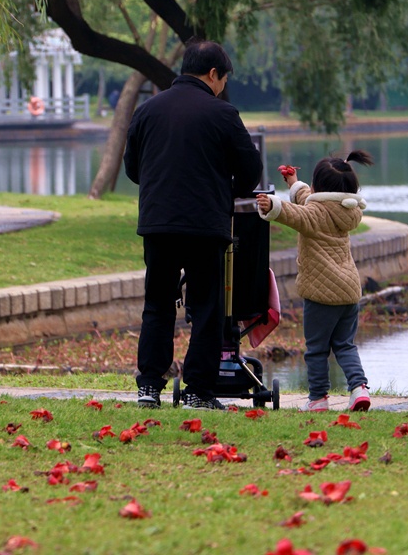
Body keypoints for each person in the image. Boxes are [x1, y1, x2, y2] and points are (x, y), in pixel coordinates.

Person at [123, 40, 263, 409]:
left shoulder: (146, 111)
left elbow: (133, 169)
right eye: (223, 79)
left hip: (158, 223)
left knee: (157, 304)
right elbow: (251, 170)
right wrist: (227, 191)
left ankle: (149, 387)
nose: (222, 87)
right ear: (213, 74)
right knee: (206, 308)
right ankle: (198, 391)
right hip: (205, 225)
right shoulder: (223, 114)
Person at [256, 150, 374, 412]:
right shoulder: (348, 212)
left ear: (319, 186)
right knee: (345, 345)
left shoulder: (315, 215)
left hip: (322, 293)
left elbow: (296, 214)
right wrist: (294, 183)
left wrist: (273, 205)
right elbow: (307, 200)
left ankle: (318, 398)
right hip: (349, 290)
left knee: (317, 349)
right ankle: (359, 388)